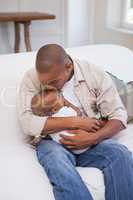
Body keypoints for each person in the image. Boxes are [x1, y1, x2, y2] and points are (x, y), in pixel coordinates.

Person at [17, 44, 133, 200]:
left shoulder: (93, 73)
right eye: (44, 83)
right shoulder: (31, 78)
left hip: (91, 139)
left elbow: (118, 116)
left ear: (68, 66)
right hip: (52, 141)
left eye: (53, 81)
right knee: (56, 159)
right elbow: (27, 122)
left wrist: (92, 138)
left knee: (120, 154)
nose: (47, 86)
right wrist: (75, 122)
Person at [30, 86, 106, 153]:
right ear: (54, 109)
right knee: (94, 122)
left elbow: (41, 135)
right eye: (62, 99)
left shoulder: (49, 122)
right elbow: (78, 113)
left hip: (72, 145)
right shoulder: (65, 111)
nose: (65, 101)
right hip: (81, 143)